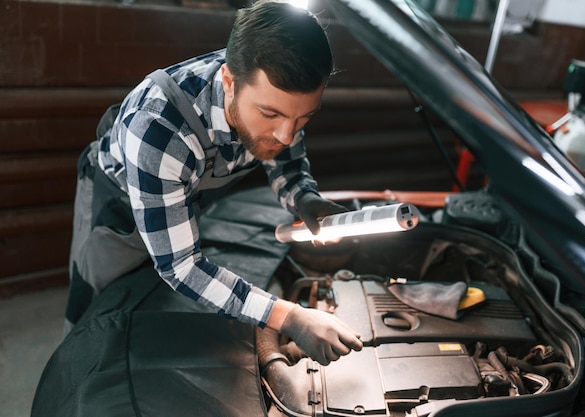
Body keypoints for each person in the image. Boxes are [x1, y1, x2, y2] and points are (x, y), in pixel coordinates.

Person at [64, 0, 362, 366]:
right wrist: (290, 316)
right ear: (229, 82)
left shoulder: (276, 88)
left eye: (303, 119)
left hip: (181, 191)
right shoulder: (158, 128)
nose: (286, 134)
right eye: (270, 114)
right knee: (95, 317)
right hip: (117, 211)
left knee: (154, 308)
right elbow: (182, 266)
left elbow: (286, 160)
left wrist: (304, 197)